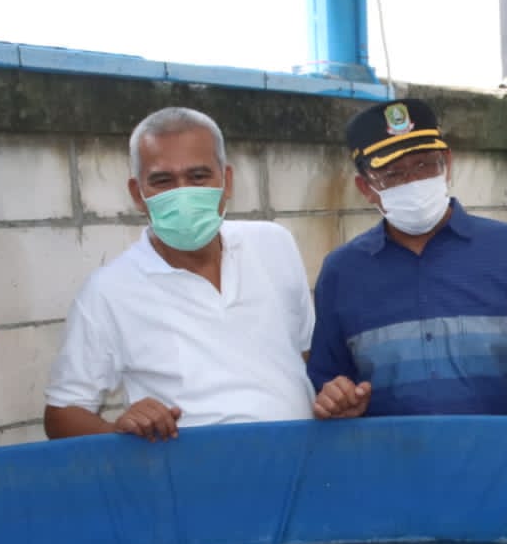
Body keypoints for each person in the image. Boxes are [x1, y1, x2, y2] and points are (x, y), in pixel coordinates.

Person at [45, 107, 316, 441]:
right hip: (197, 482)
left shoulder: (275, 244)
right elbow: (61, 416)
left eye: (198, 177)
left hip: (301, 464)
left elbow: (305, 354)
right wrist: (119, 429)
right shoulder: (108, 291)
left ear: (226, 181)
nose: (183, 194)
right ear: (137, 194)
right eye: (163, 181)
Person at [307, 98, 507, 418]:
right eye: (393, 174)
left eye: (424, 165)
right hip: (394, 464)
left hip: (505, 462)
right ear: (365, 188)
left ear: (447, 163)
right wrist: (339, 401)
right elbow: (330, 386)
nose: (413, 182)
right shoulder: (342, 273)